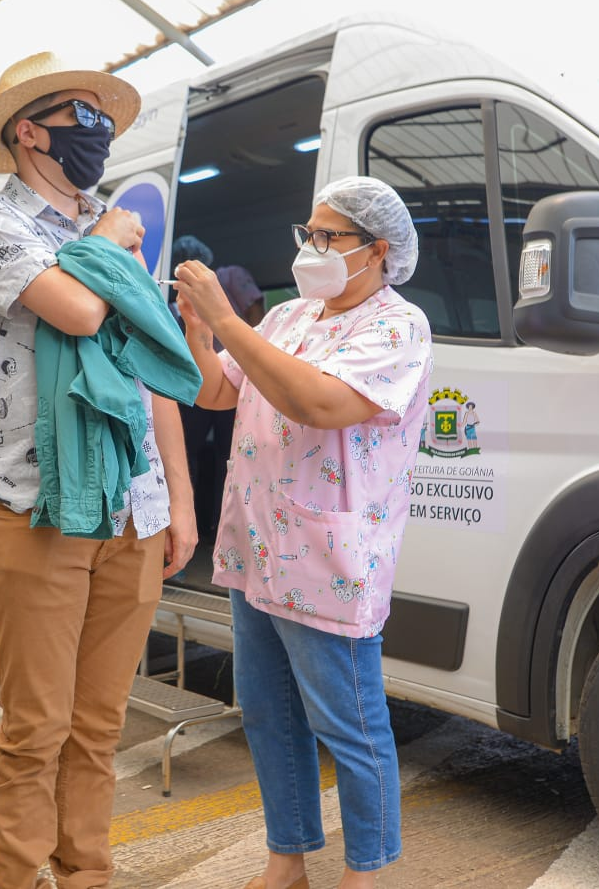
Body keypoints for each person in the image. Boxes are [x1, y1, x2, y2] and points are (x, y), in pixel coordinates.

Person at [0, 51, 198, 889]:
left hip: (132, 508)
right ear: (30, 131)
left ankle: (87, 874)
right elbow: (83, 310)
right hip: (33, 503)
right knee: (36, 730)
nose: (99, 132)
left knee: (98, 726)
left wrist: (179, 500)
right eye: (82, 116)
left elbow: (151, 367)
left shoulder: (109, 229)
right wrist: (110, 242)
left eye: (102, 117)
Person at [173, 176, 431, 889]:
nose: (311, 248)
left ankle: (365, 874)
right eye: (307, 233)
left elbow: (318, 403)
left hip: (326, 559)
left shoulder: (397, 325)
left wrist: (226, 320)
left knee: (349, 724)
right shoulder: (290, 316)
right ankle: (286, 861)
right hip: (257, 547)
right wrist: (200, 329)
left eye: (328, 236)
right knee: (267, 713)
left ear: (377, 251)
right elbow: (216, 390)